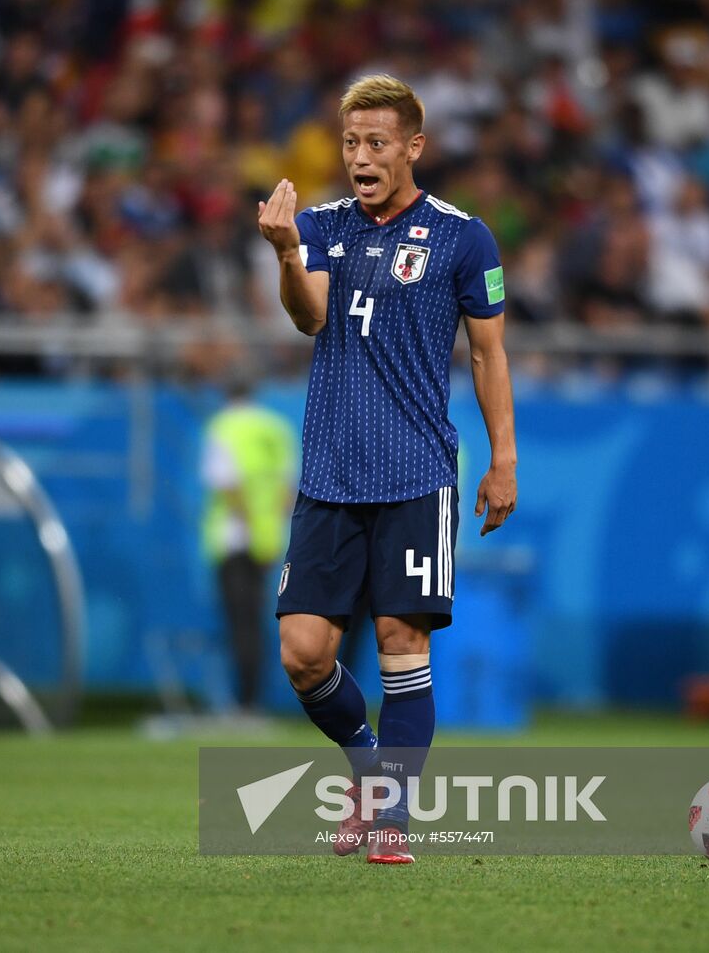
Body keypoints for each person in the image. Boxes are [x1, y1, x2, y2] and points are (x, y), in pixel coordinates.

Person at [255, 74, 517, 864]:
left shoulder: (463, 237)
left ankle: (392, 823)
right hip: (331, 475)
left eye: (376, 143)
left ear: (413, 147)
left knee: (403, 639)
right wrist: (284, 253)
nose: (360, 157)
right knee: (303, 652)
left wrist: (503, 459)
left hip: (415, 473)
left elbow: (488, 352)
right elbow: (310, 316)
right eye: (349, 143)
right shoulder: (323, 226)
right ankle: (371, 775)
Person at [200, 375, 296, 711]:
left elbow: (228, 486)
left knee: (239, 622)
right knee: (256, 622)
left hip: (235, 539)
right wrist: (269, 535)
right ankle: (255, 697)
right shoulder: (275, 428)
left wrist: (250, 527)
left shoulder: (224, 428)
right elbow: (287, 492)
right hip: (268, 541)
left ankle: (245, 702)